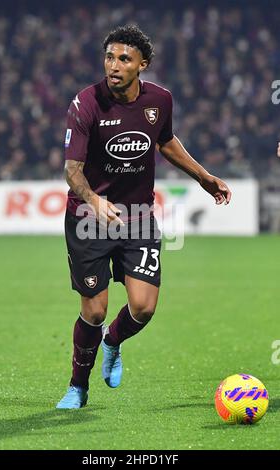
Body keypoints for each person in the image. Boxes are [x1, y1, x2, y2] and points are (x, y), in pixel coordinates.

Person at [56, 25, 231, 409]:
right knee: (95, 309)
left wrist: (203, 177)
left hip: (138, 216)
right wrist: (93, 201)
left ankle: (113, 343)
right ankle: (77, 387)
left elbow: (165, 141)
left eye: (124, 59)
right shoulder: (86, 104)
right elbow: (72, 169)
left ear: (142, 65)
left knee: (144, 307)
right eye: (109, 57)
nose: (113, 66)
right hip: (89, 218)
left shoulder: (160, 100)